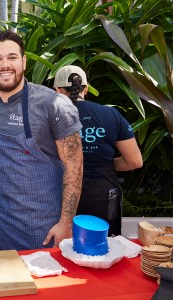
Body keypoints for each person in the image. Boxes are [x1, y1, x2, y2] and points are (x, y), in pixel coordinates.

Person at [0, 30, 84, 251]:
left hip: (44, 223)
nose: (4, 65)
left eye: (12, 57)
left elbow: (75, 168)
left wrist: (65, 223)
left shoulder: (54, 105)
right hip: (1, 221)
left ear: (24, 62)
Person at [54, 65, 143, 236]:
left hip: (62, 194)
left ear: (58, 90)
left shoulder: (51, 118)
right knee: (105, 245)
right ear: (85, 89)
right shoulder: (111, 114)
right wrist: (107, 164)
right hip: (103, 194)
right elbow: (134, 161)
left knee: (64, 248)